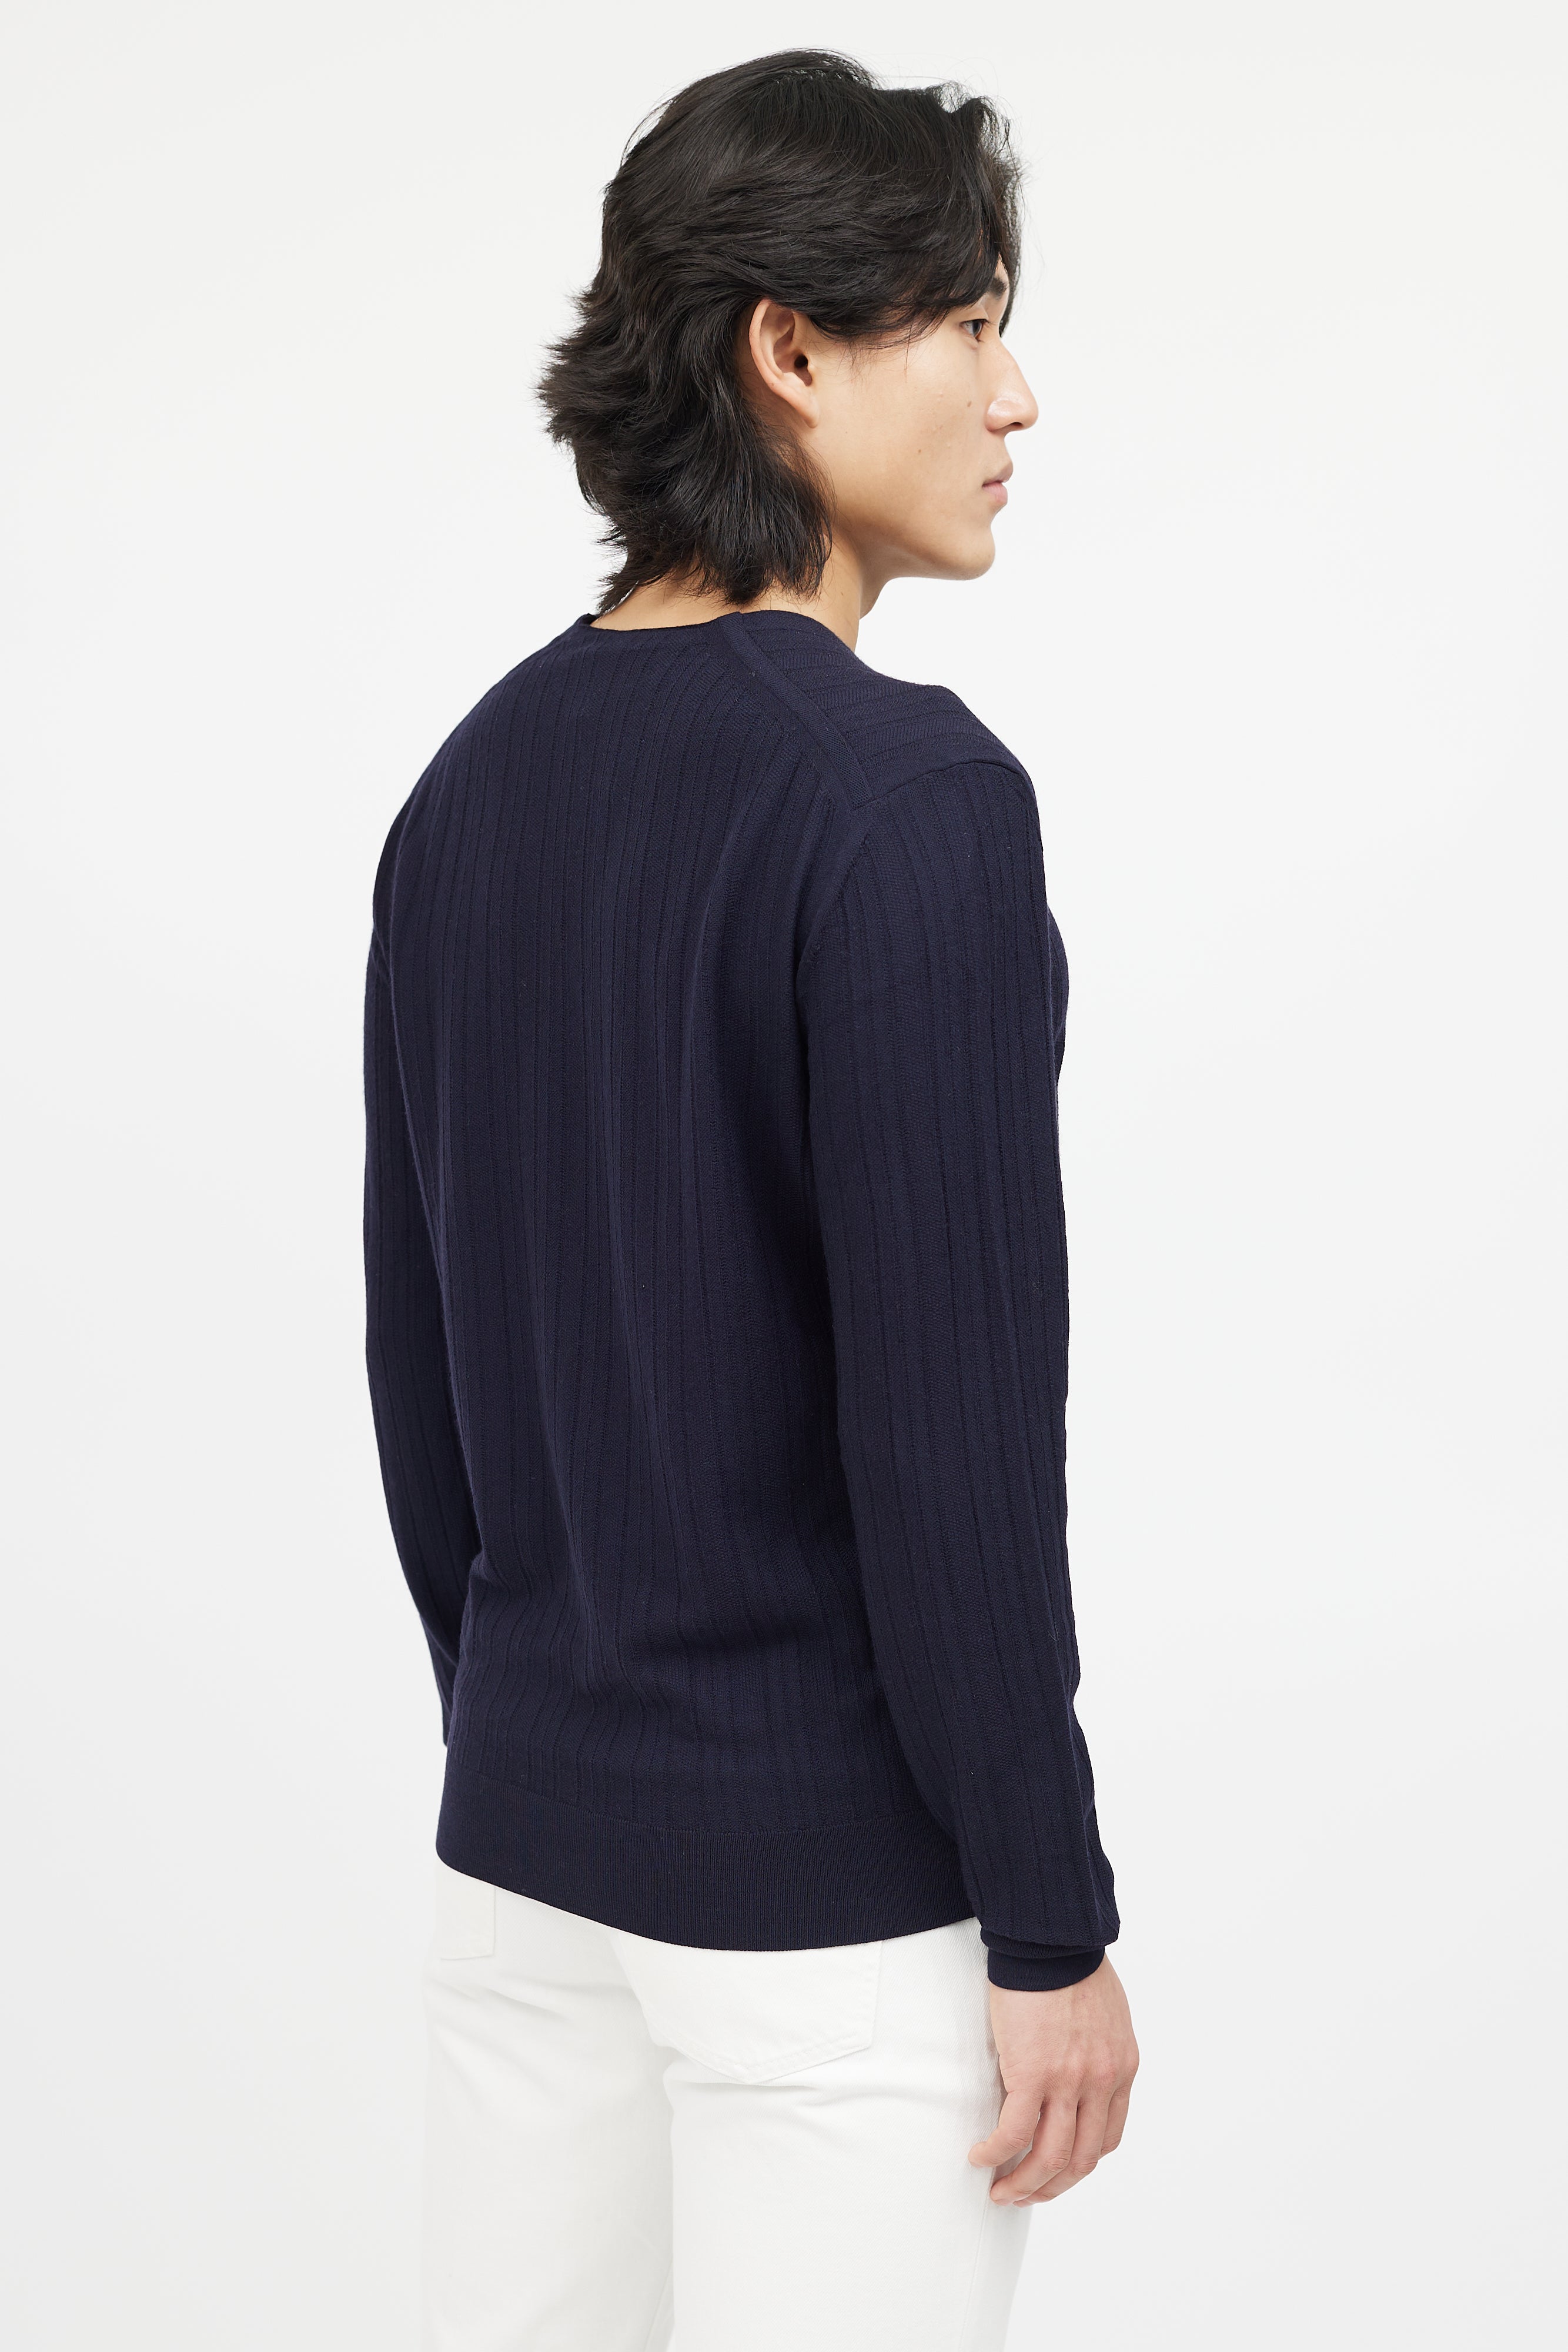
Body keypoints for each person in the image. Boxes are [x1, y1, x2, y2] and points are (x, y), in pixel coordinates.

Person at [363, 48, 1139, 2352]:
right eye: (968, 323)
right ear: (789, 350)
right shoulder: (903, 801)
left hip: (526, 1872)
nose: (1015, 396)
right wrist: (1047, 1916)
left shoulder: (470, 784)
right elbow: (950, 1439)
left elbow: (421, 1367)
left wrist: (531, 1726)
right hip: (826, 1922)